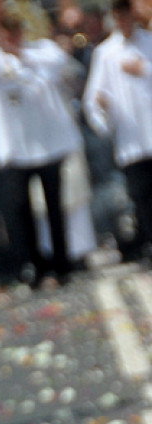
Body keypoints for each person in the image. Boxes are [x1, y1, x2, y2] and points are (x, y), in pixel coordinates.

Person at [0, 4, 84, 284]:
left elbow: (60, 61)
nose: (11, 39)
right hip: (17, 149)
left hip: (49, 145)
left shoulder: (41, 51)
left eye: (15, 33)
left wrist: (22, 54)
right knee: (20, 211)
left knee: (54, 207)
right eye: (6, 34)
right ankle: (34, 264)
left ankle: (62, 263)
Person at [83, 0, 152, 259]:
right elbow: (93, 99)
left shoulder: (149, 43)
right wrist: (102, 110)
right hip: (131, 139)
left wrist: (144, 69)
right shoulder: (106, 53)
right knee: (142, 196)